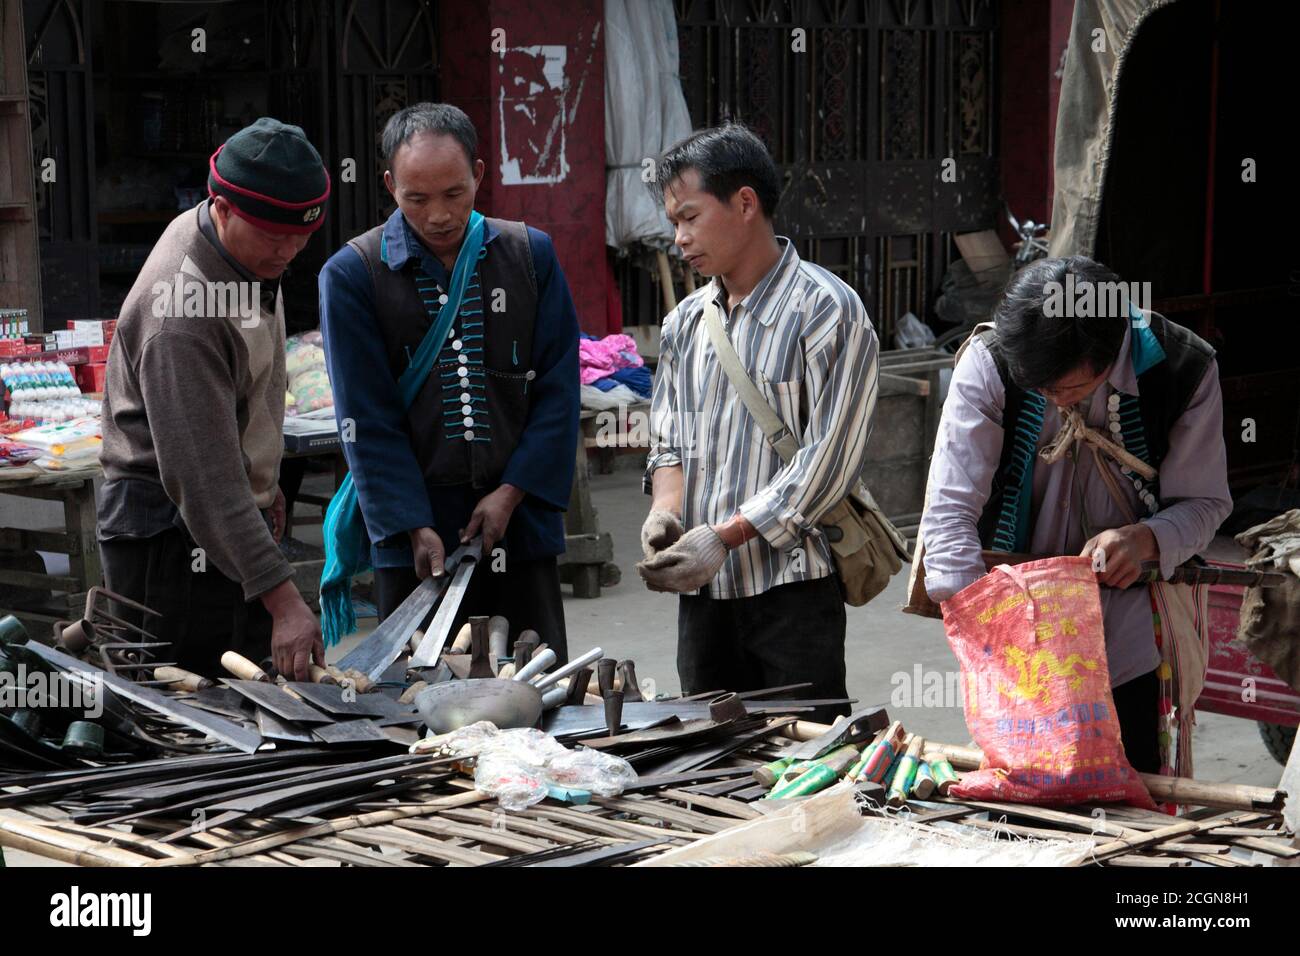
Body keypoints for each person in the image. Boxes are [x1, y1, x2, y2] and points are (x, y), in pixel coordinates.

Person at [918, 255, 1232, 775]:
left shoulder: (1185, 368)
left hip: (1128, 634)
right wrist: (978, 619)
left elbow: (1206, 501)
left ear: (1109, 356)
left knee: (1131, 800)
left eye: (1064, 391)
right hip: (1013, 631)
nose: (1050, 401)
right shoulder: (991, 359)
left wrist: (1149, 539)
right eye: (1038, 389)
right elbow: (950, 508)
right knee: (1020, 813)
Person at [318, 103, 579, 661]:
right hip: (414, 535)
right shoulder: (352, 275)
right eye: (417, 198)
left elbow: (558, 392)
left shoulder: (530, 256)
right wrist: (413, 526)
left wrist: (510, 494)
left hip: (521, 519)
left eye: (455, 194)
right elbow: (365, 419)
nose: (438, 214)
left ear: (479, 175)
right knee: (421, 700)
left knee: (534, 686)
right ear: (389, 185)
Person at [639, 124, 881, 723]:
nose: (679, 239)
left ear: (745, 203)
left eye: (690, 217)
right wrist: (665, 513)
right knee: (707, 759)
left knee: (805, 765)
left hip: (793, 594)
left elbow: (827, 461)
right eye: (674, 222)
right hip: (703, 596)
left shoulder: (829, 311)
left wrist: (724, 537)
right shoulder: (684, 324)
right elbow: (669, 434)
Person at [98, 117, 329, 681]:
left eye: (302, 235)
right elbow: (203, 479)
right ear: (222, 209)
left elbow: (255, 376)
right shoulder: (182, 311)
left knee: (258, 699)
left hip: (216, 514)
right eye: (274, 236)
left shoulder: (242, 248)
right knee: (184, 717)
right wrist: (283, 598)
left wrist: (264, 481)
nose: (290, 251)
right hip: (164, 531)